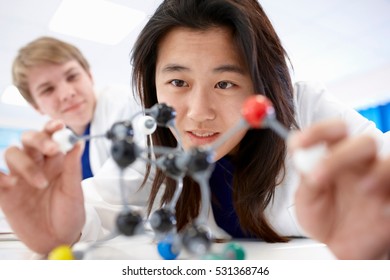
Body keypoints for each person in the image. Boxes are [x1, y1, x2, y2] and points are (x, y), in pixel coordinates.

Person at [0, 0, 388, 259]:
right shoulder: (154, 150)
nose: (198, 113)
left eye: (225, 84)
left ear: (263, 84)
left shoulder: (306, 111)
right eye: (178, 83)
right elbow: (95, 208)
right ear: (151, 85)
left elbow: (379, 169)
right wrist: (58, 228)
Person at [11, 36, 142, 179]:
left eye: (72, 76)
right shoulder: (53, 147)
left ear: (90, 76)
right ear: (36, 107)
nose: (67, 94)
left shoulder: (125, 105)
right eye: (47, 89)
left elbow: (134, 186)